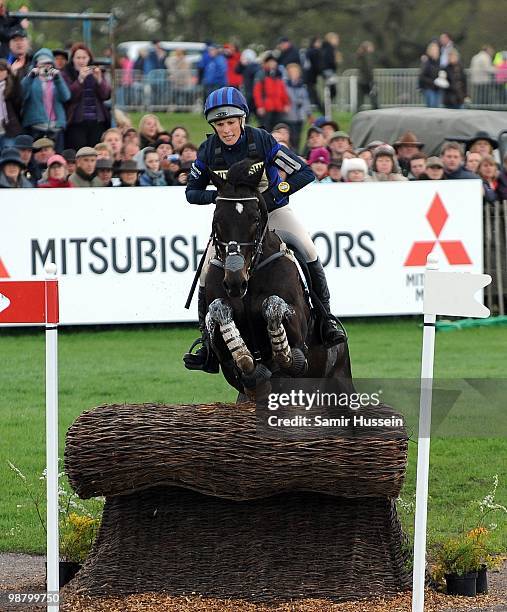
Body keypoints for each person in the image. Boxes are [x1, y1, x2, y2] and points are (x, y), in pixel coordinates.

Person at [183, 86, 345, 372]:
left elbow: (304, 173)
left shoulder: (261, 141)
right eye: (220, 124)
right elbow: (192, 192)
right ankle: (208, 343)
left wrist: (272, 196)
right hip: (235, 221)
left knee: (307, 249)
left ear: (242, 120)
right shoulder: (208, 150)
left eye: (231, 122)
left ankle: (326, 320)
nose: (226, 129)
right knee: (208, 271)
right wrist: (220, 199)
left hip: (272, 209)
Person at [63, 42, 111, 150]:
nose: (81, 61)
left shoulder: (96, 72)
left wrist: (99, 80)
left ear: (89, 58)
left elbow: (106, 95)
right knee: (79, 151)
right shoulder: (67, 74)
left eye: (84, 57)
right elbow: (69, 96)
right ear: (73, 59)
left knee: (95, 151)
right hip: (76, 121)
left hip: (97, 120)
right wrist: (80, 79)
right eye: (78, 58)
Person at [21, 48, 70, 151]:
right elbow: (22, 95)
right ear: (36, 64)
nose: (45, 67)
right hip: (36, 127)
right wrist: (30, 76)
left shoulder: (56, 79)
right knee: (38, 157)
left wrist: (58, 79)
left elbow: (66, 97)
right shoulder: (31, 79)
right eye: (42, 64)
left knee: (56, 158)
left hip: (55, 127)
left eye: (48, 64)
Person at [253, 53, 290, 134]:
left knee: (277, 129)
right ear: (266, 63)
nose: (273, 64)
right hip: (266, 108)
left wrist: (286, 103)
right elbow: (257, 92)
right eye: (270, 62)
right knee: (265, 130)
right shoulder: (261, 74)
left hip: (278, 107)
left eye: (274, 62)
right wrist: (260, 106)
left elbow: (283, 91)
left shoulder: (278, 74)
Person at [284, 62, 312, 152]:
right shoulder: (285, 85)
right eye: (291, 72)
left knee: (298, 136)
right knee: (291, 135)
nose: (294, 74)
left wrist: (309, 113)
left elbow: (306, 100)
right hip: (289, 115)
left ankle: (297, 152)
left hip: (300, 115)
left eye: (295, 72)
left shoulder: (302, 86)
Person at [0, 57, 21, 148]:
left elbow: (18, 100)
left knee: (9, 155)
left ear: (7, 72)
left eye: (1, 70)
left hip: (9, 129)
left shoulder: (11, 86)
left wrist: (14, 75)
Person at [303, 37, 324, 114]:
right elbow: (317, 66)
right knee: (313, 96)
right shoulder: (315, 52)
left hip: (308, 78)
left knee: (311, 95)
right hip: (311, 78)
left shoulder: (308, 52)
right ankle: (322, 110)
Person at [419, 42, 442, 108]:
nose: (435, 51)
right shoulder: (426, 62)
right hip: (428, 88)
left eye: (436, 50)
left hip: (437, 88)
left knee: (437, 107)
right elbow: (422, 76)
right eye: (433, 50)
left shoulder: (439, 62)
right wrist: (433, 82)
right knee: (431, 107)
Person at [356, 41, 377, 110]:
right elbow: (368, 68)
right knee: (373, 95)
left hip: (361, 80)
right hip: (367, 80)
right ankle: (376, 110)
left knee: (360, 98)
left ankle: (358, 111)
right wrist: (371, 79)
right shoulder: (367, 56)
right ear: (367, 48)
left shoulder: (360, 56)